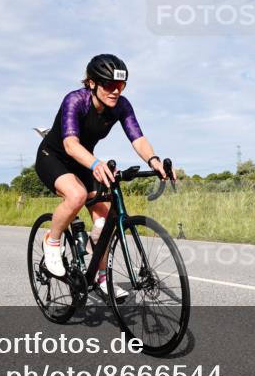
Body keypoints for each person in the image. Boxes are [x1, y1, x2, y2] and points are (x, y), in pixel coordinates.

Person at [35, 54, 172, 302]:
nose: (115, 91)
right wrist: (96, 163)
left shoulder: (121, 105)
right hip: (54, 156)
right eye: (109, 85)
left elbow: (138, 139)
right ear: (91, 83)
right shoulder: (75, 100)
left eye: (121, 86)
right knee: (76, 195)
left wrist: (154, 160)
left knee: (106, 221)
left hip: (83, 160)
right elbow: (70, 143)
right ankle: (52, 241)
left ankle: (100, 277)